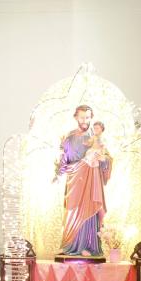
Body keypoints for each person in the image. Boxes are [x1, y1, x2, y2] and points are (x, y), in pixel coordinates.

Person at [56, 106, 111, 256]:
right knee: (71, 212)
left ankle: (89, 245)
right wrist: (61, 167)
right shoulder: (70, 137)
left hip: (90, 180)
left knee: (89, 211)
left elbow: (107, 158)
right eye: (82, 117)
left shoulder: (96, 136)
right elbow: (64, 159)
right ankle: (68, 245)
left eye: (87, 118)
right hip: (74, 180)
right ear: (76, 117)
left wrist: (103, 160)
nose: (85, 121)